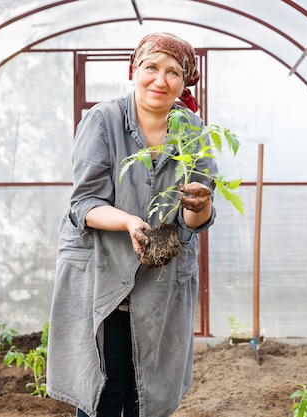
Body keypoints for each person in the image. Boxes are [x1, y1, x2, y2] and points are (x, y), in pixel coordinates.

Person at [46, 32, 218, 417]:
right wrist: (129, 222)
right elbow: (84, 203)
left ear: (185, 81)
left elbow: (196, 222)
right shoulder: (102, 120)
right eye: (151, 67)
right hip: (103, 270)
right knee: (106, 385)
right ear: (133, 70)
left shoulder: (193, 131)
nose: (160, 80)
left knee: (148, 391)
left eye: (173, 72)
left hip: (161, 278)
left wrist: (199, 204)